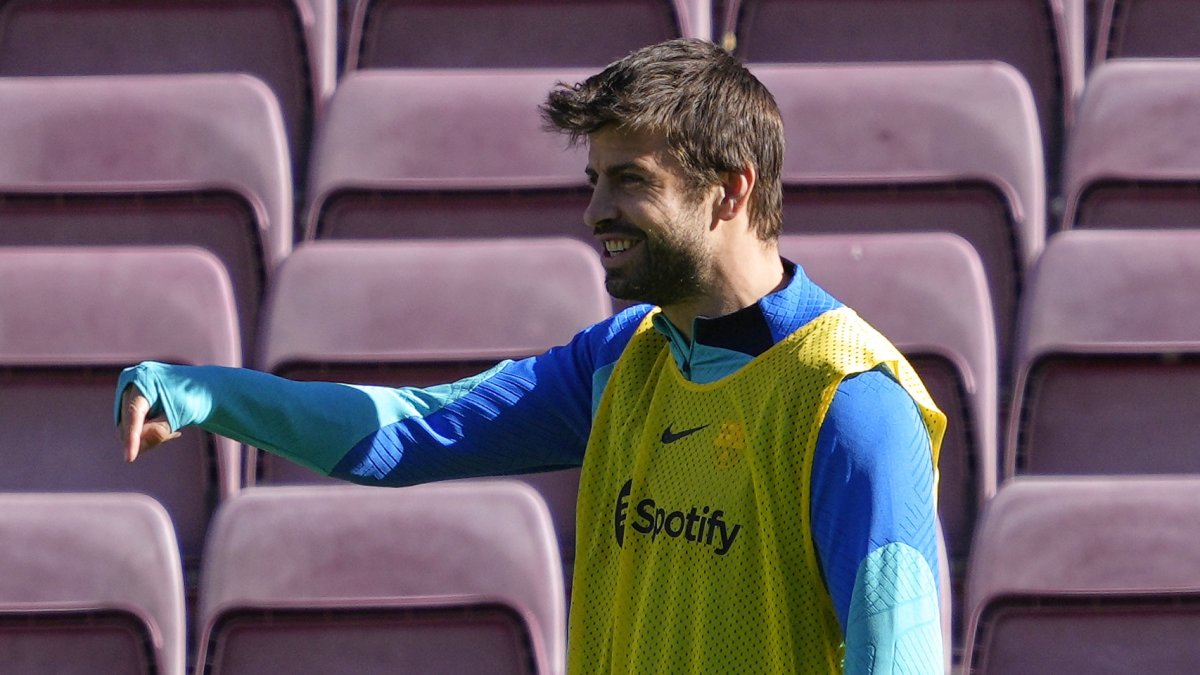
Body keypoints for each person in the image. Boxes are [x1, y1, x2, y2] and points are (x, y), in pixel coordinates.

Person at [116, 38, 945, 674]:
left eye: (630, 181)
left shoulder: (852, 404)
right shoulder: (624, 360)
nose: (595, 211)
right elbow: (403, 434)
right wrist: (208, 395)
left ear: (730, 189)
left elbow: (899, 657)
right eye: (593, 180)